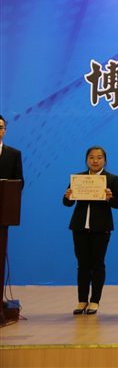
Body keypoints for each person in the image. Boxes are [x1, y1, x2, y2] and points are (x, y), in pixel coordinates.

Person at [63, 146, 118, 315]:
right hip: (79, 227)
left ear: (105, 160)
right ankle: (82, 300)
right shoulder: (79, 178)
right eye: (91, 157)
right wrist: (67, 196)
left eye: (99, 157)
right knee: (82, 264)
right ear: (86, 160)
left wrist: (110, 198)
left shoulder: (111, 179)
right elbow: (67, 202)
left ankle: (95, 301)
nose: (95, 161)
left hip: (101, 228)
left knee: (98, 263)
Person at [0, 115, 24, 323]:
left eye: (0, 127)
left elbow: (19, 182)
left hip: (3, 214)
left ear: (5, 130)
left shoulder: (13, 154)